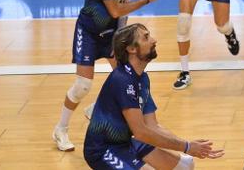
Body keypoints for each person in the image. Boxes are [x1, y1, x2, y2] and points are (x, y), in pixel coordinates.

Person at [51, 0, 161, 153]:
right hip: (89, 31)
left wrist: (121, 37)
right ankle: (60, 129)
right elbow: (114, 9)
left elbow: (123, 7)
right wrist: (147, 0)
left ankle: (97, 108)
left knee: (125, 77)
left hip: (112, 33)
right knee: (83, 85)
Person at [82, 23, 225, 167]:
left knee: (185, 166)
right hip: (103, 150)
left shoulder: (142, 78)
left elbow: (153, 126)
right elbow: (141, 132)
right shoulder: (122, 80)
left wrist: (188, 146)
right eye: (146, 38)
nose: (154, 40)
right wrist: (186, 147)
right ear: (131, 49)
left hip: (126, 142)